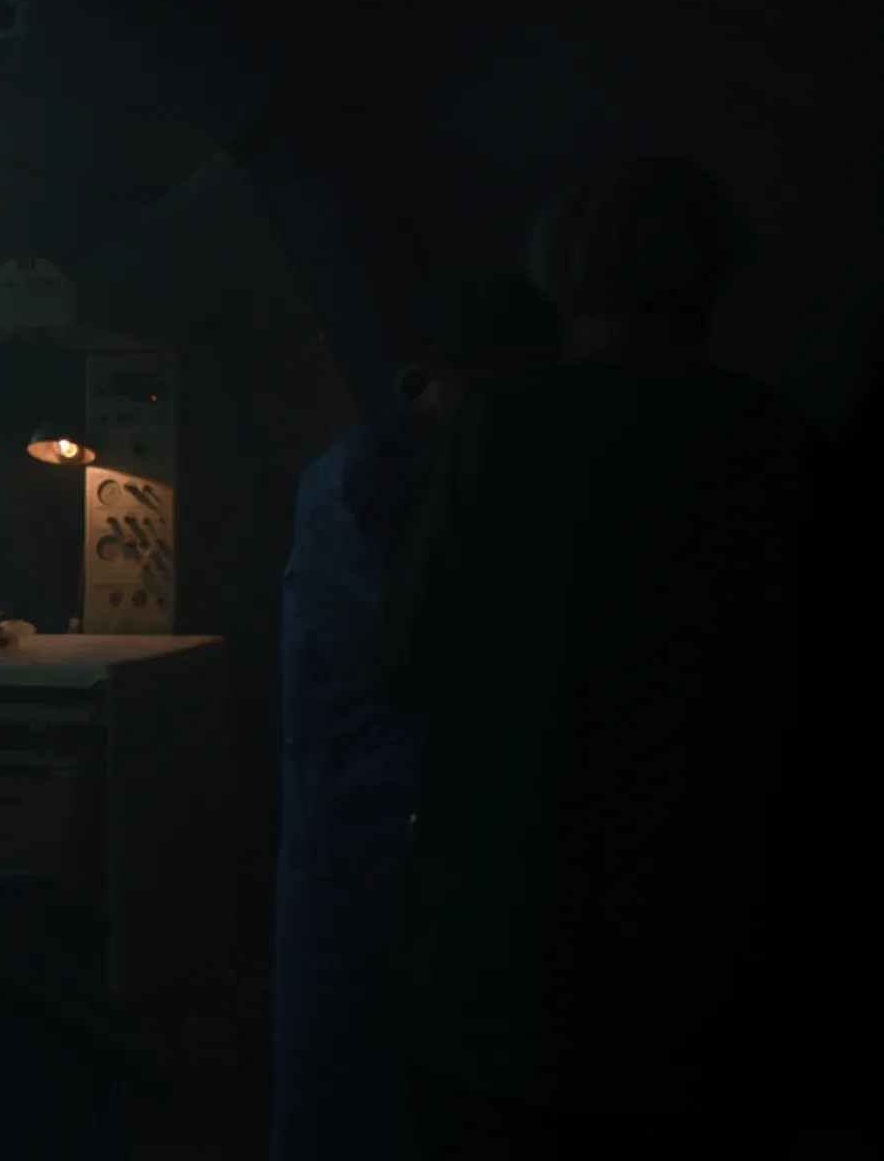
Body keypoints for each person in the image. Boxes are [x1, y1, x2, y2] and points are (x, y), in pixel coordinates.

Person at [373, 157, 825, 1158]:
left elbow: (400, 664)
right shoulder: (779, 446)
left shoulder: (494, 436)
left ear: (565, 279)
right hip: (714, 982)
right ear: (716, 276)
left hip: (503, 963)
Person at [271, 271, 560, 1161]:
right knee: (348, 1055)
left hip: (415, 800)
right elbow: (406, 656)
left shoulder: (467, 462)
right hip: (364, 804)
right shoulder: (363, 480)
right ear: (446, 373)